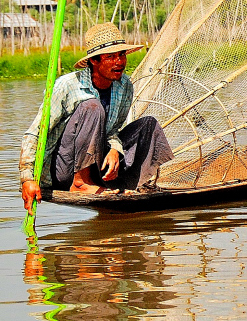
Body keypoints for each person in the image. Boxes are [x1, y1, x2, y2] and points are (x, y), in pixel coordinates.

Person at [20, 23, 173, 212]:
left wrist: (116, 149)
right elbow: (34, 134)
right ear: (94, 61)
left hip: (96, 164)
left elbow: (112, 130)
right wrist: (28, 178)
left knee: (148, 124)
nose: (119, 62)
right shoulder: (67, 86)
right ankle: (80, 183)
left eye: (122, 55)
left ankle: (128, 184)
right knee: (92, 107)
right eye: (111, 57)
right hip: (63, 169)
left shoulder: (124, 85)